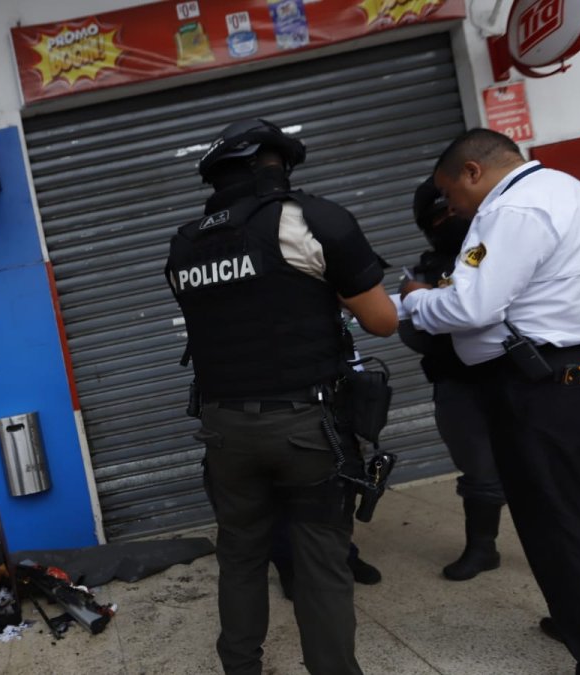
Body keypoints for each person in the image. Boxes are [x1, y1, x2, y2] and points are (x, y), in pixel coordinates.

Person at [401, 129, 580, 674]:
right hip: (568, 369)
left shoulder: (511, 209)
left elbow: (471, 308)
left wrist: (415, 302)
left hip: (542, 381)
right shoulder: (562, 187)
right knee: (572, 514)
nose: (451, 206)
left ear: (472, 171)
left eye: (449, 192)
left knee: (566, 522)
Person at [166, 118, 397, 675]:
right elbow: (382, 321)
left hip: (224, 430)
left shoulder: (185, 243)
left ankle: (240, 667)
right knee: (322, 564)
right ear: (275, 168)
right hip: (305, 427)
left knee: (240, 556)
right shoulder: (312, 220)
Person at [399, 178, 507, 581]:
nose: (450, 218)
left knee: (542, 467)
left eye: (452, 209)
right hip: (456, 383)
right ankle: (482, 548)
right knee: (478, 470)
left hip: (516, 377)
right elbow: (414, 333)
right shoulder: (422, 271)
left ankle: (556, 545)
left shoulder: (500, 251)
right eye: (439, 215)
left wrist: (433, 304)